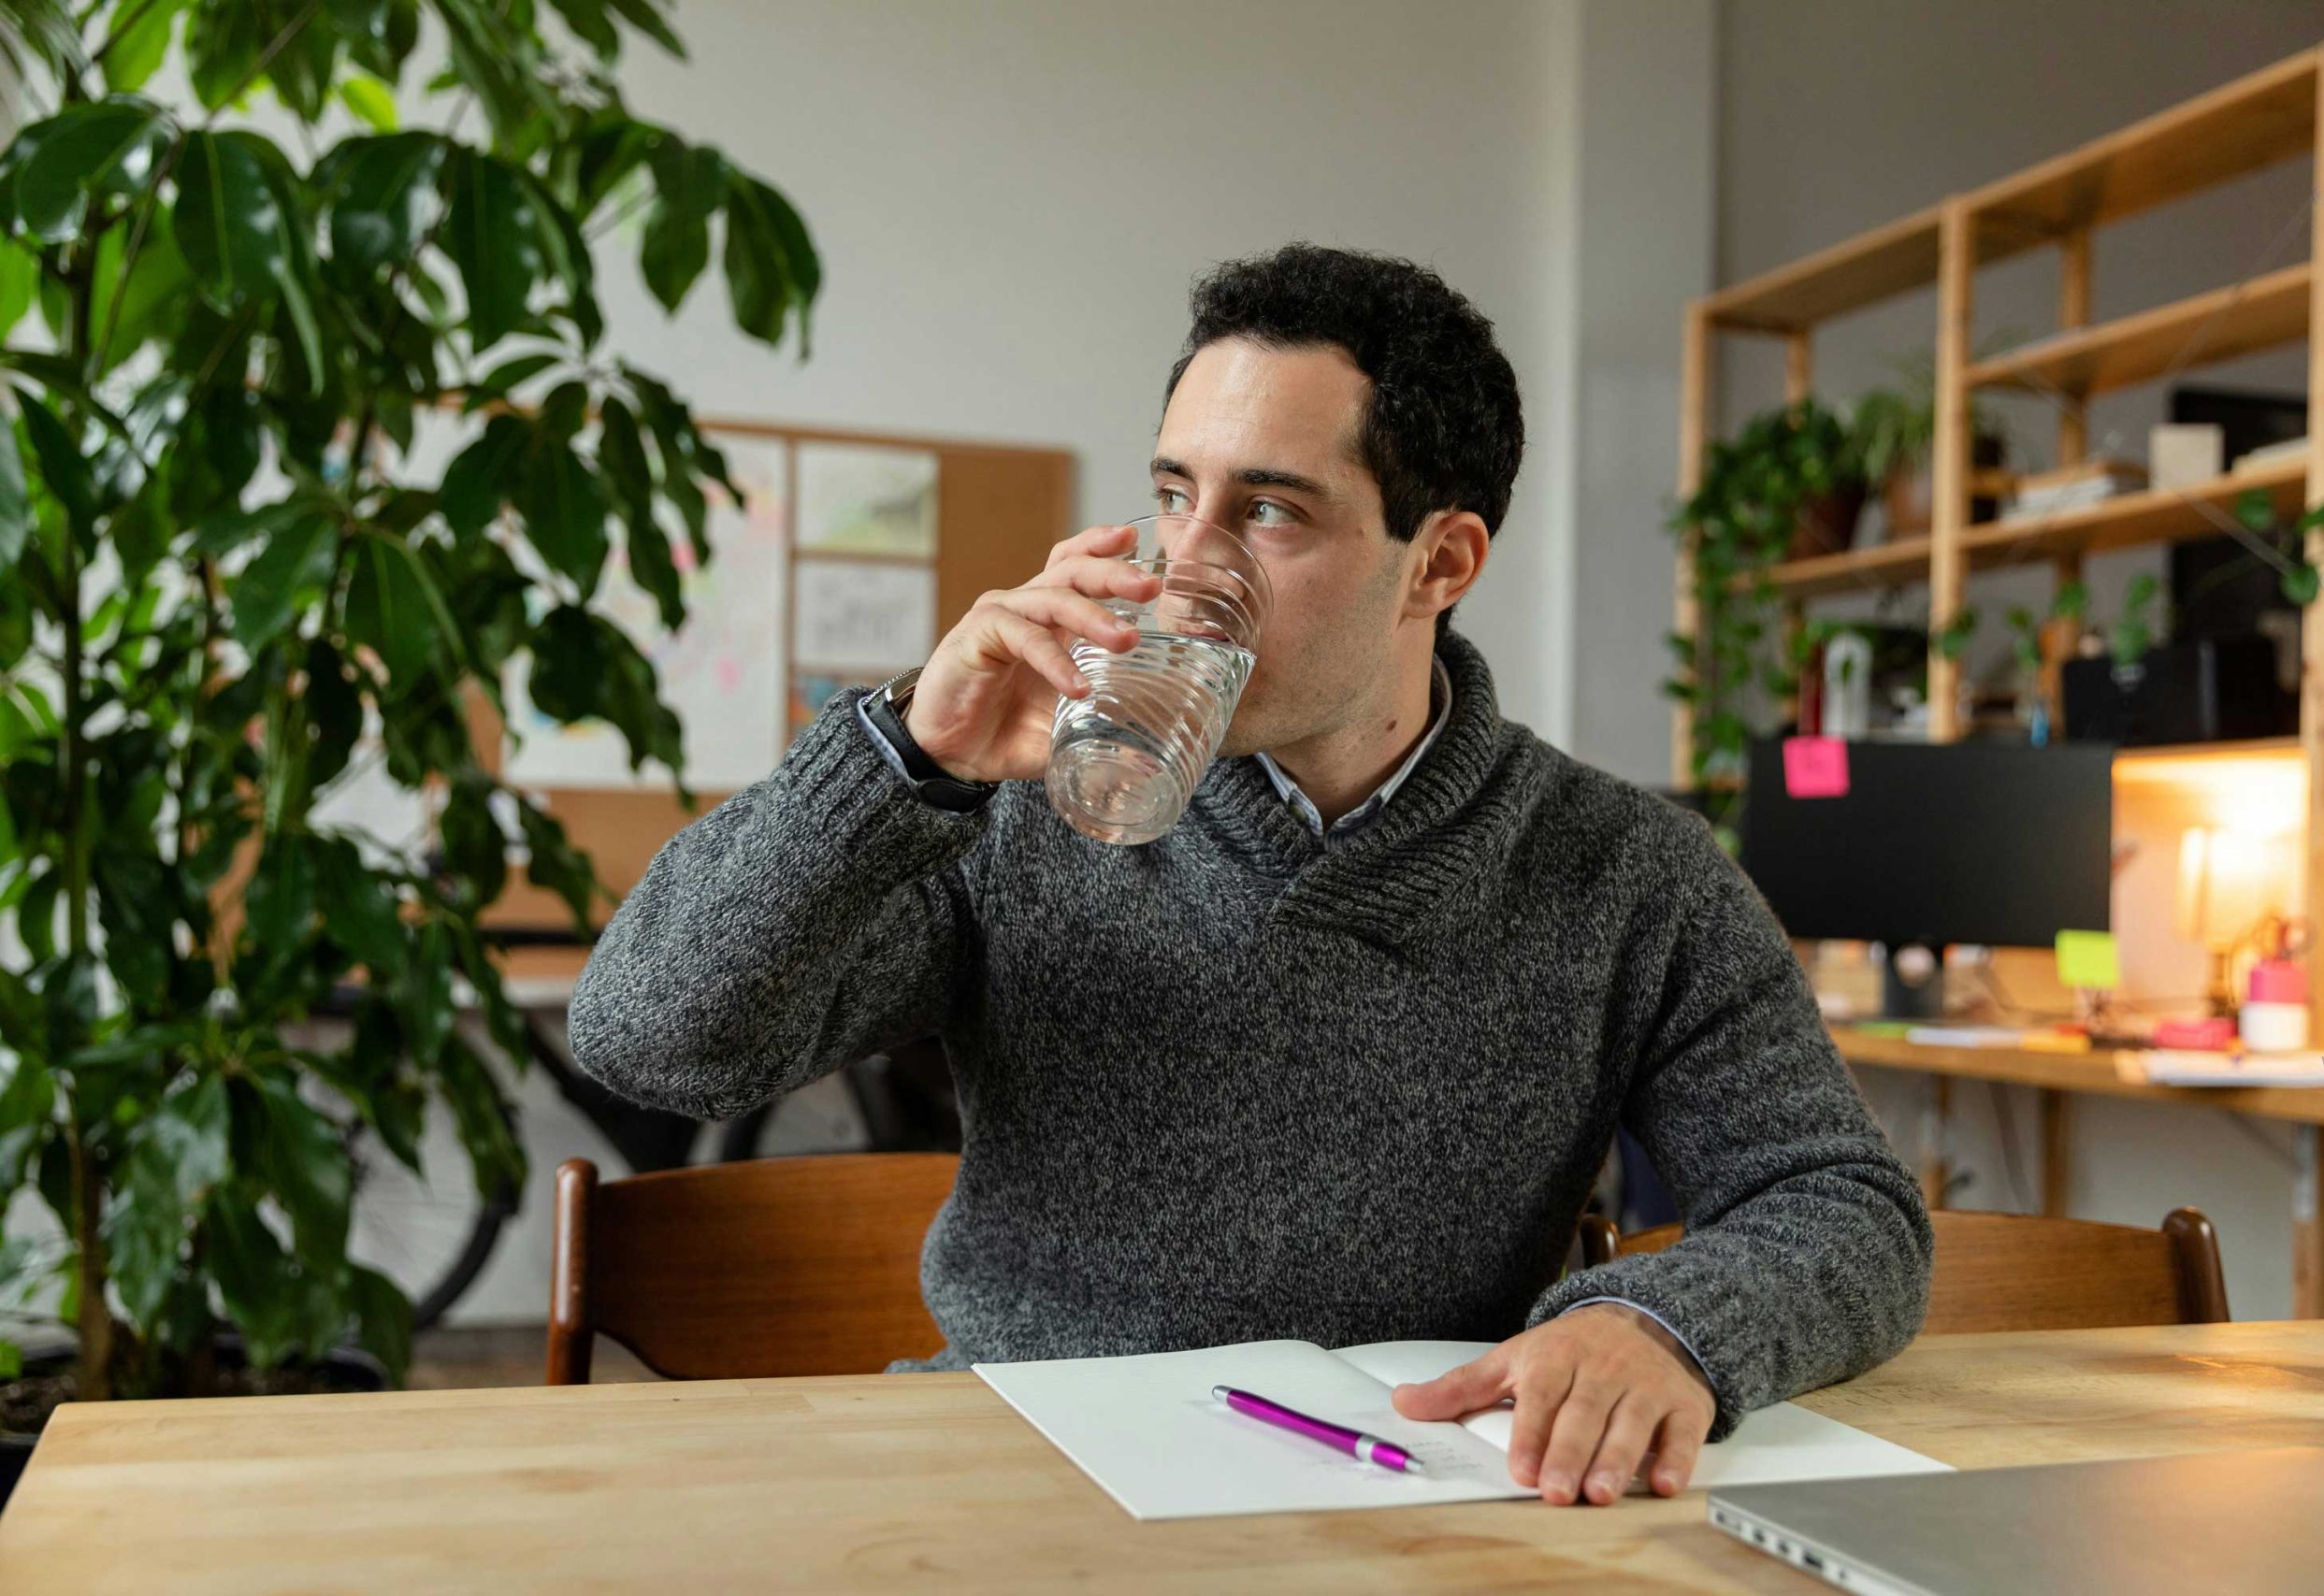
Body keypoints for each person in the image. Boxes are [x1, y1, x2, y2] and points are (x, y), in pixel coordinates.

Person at [568, 243, 1931, 1507]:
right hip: (1028, 1471)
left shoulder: (1623, 870)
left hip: (1409, 1490)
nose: (1186, 567)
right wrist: (896, 762)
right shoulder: (1005, 809)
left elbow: (1841, 1198)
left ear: (1439, 563)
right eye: (1173, 495)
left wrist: (1665, 1325)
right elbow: (646, 1041)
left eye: (1268, 512)